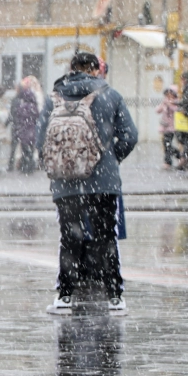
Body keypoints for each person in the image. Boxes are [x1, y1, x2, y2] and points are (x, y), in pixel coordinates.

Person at [39, 50, 138, 315]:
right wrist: (109, 159)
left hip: (65, 181)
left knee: (70, 236)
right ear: (95, 70)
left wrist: (58, 165)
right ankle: (115, 297)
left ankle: (65, 297)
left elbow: (41, 142)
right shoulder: (110, 95)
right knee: (106, 237)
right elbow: (130, 135)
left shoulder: (54, 99)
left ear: (71, 69)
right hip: (103, 182)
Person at [9, 76, 41, 173]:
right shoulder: (34, 107)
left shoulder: (21, 106)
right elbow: (37, 117)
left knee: (24, 150)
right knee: (31, 150)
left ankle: (24, 166)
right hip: (32, 132)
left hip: (22, 131)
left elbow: (16, 116)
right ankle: (30, 166)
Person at [156, 86, 180, 169]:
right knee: (166, 144)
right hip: (165, 126)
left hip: (173, 127)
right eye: (167, 93)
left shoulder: (177, 102)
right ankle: (178, 156)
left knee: (167, 144)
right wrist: (163, 105)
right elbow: (158, 110)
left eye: (171, 93)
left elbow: (176, 110)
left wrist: (170, 104)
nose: (169, 95)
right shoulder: (165, 102)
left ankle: (169, 160)